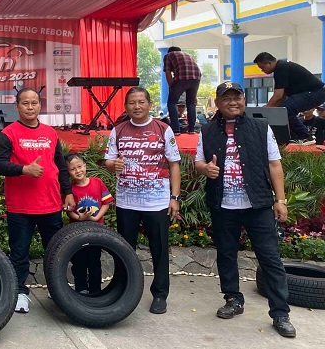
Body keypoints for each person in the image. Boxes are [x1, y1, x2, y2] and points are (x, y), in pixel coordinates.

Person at [194, 81, 295, 338]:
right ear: (217, 103)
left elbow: (275, 165)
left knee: (270, 259)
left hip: (258, 204)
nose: (233, 102)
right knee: (227, 254)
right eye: (226, 98)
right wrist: (206, 169)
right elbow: (198, 161)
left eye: (237, 97)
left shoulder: (261, 128)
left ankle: (280, 313)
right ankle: (233, 299)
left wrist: (280, 200)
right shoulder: (206, 131)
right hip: (223, 204)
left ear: (244, 100)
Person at [0, 87, 75, 314]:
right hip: (21, 206)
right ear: (17, 106)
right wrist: (24, 169)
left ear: (40, 105)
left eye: (34, 103)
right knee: (19, 252)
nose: (30, 107)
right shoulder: (9, 133)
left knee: (55, 250)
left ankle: (56, 289)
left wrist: (67, 192)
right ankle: (19, 292)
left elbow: (60, 165)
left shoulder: (50, 133)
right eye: (25, 103)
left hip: (50, 204)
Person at [104, 87, 180, 315]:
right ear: (126, 106)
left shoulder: (163, 129)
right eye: (132, 103)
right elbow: (108, 161)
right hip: (127, 202)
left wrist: (174, 197)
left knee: (159, 250)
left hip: (156, 203)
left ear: (149, 104)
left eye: (141, 102)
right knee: (124, 250)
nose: (137, 107)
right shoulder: (118, 130)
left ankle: (159, 294)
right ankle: (122, 290)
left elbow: (174, 164)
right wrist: (113, 165)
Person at [65, 153, 113, 294]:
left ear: (85, 166)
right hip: (77, 232)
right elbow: (68, 210)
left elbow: (106, 203)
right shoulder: (70, 190)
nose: (77, 171)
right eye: (73, 169)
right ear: (68, 172)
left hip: (96, 231)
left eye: (79, 167)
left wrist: (96, 217)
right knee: (79, 261)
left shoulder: (97, 182)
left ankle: (95, 290)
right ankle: (81, 288)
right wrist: (79, 218)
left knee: (94, 262)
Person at [254, 52, 325, 145]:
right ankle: (296, 136)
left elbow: (278, 96)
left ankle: (305, 136)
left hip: (316, 93)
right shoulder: (282, 67)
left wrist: (265, 112)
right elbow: (282, 96)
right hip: (314, 93)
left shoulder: (281, 68)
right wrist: (271, 110)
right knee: (282, 110)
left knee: (286, 110)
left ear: (269, 63)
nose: (262, 71)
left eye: (262, 68)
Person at [163, 46, 201, 134]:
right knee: (191, 103)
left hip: (182, 77)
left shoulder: (168, 55)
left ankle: (176, 129)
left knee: (171, 103)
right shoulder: (188, 55)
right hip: (196, 77)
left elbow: (168, 72)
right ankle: (192, 129)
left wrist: (171, 87)